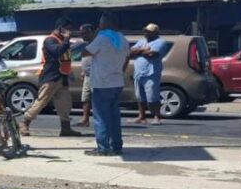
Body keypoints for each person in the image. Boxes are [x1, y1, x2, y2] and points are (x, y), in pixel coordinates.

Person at [19, 18, 82, 137]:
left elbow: (66, 59)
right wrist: (66, 40)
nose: (69, 32)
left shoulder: (62, 41)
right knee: (42, 101)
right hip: (51, 77)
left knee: (65, 104)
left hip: (62, 77)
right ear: (60, 28)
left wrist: (70, 74)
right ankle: (24, 123)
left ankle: (66, 128)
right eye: (67, 29)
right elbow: (57, 51)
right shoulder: (50, 40)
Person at [83, 12, 130, 156]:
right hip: (117, 81)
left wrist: (96, 34)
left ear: (104, 23)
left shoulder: (102, 38)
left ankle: (103, 148)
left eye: (100, 22)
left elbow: (85, 52)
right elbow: (127, 57)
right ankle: (116, 146)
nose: (99, 24)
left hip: (102, 83)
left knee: (101, 117)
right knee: (114, 117)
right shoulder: (122, 38)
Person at [130, 23, 172, 125]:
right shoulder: (141, 41)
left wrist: (139, 51)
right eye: (145, 31)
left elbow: (151, 54)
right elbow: (130, 52)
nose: (146, 33)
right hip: (138, 73)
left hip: (151, 73)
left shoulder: (160, 42)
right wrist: (142, 50)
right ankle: (142, 117)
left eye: (149, 32)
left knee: (152, 97)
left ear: (156, 33)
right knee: (140, 97)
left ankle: (157, 117)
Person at [74, 24, 96, 127]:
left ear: (90, 31)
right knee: (85, 97)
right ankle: (85, 119)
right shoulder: (87, 44)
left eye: (84, 33)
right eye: (81, 33)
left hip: (96, 75)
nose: (82, 36)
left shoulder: (97, 43)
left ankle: (100, 119)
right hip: (88, 74)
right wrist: (83, 70)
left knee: (96, 98)